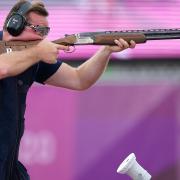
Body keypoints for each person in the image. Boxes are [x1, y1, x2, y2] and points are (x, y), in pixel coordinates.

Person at [0, 0, 136, 180]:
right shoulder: (32, 54)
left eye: (46, 31)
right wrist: (38, 53)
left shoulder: (33, 57)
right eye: (39, 30)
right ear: (14, 25)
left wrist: (106, 51)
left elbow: (79, 79)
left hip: (9, 167)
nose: (43, 38)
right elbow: (3, 68)